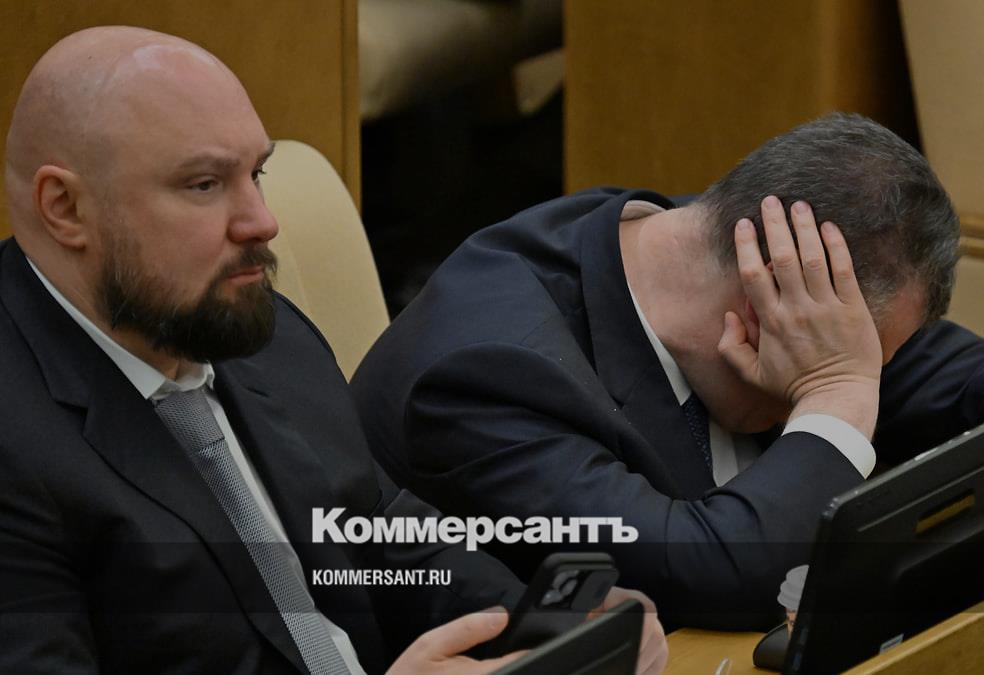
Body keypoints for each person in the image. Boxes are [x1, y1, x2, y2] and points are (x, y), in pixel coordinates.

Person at [0, 26, 668, 674]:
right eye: (203, 185)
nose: (263, 221)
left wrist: (546, 633)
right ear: (66, 208)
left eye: (256, 172)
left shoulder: (257, 330)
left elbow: (380, 535)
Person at [350, 113, 984, 629]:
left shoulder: (720, 242)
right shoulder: (485, 375)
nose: (864, 376)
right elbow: (706, 575)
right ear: (766, 300)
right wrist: (834, 396)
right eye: (849, 358)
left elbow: (964, 369)